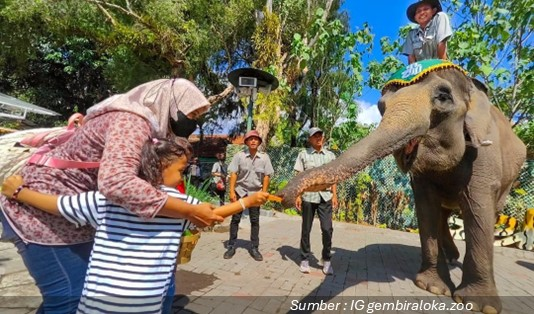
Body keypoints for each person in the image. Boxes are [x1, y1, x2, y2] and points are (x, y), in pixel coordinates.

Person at [0, 78, 224, 313]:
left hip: (71, 211)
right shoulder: (131, 122)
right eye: (191, 113)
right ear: (170, 102)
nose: (193, 122)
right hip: (39, 212)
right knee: (69, 299)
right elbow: (117, 183)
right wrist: (188, 210)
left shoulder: (144, 125)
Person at [1, 137, 269, 313]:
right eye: (180, 169)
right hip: (145, 304)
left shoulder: (110, 197)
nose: (182, 174)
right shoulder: (179, 201)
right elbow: (213, 214)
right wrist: (249, 201)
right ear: (159, 167)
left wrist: (19, 192)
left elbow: (59, 206)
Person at [293, 127, 338, 275]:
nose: (318, 138)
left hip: (325, 197)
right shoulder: (303, 155)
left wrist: (335, 196)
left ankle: (326, 260)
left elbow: (333, 178)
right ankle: (304, 259)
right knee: (306, 229)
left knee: (327, 229)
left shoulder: (330, 156)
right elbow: (298, 178)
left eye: (320, 135)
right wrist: (298, 196)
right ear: (310, 139)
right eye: (315, 136)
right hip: (308, 197)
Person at [224, 130, 274, 261]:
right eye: (250, 139)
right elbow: (234, 174)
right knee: (235, 219)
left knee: (255, 220)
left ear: (259, 142)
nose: (253, 141)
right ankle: (231, 245)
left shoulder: (264, 158)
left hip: (255, 194)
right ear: (246, 142)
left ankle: (254, 247)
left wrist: (263, 193)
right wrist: (231, 191)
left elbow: (267, 176)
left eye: (255, 139)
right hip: (240, 192)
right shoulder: (239, 156)